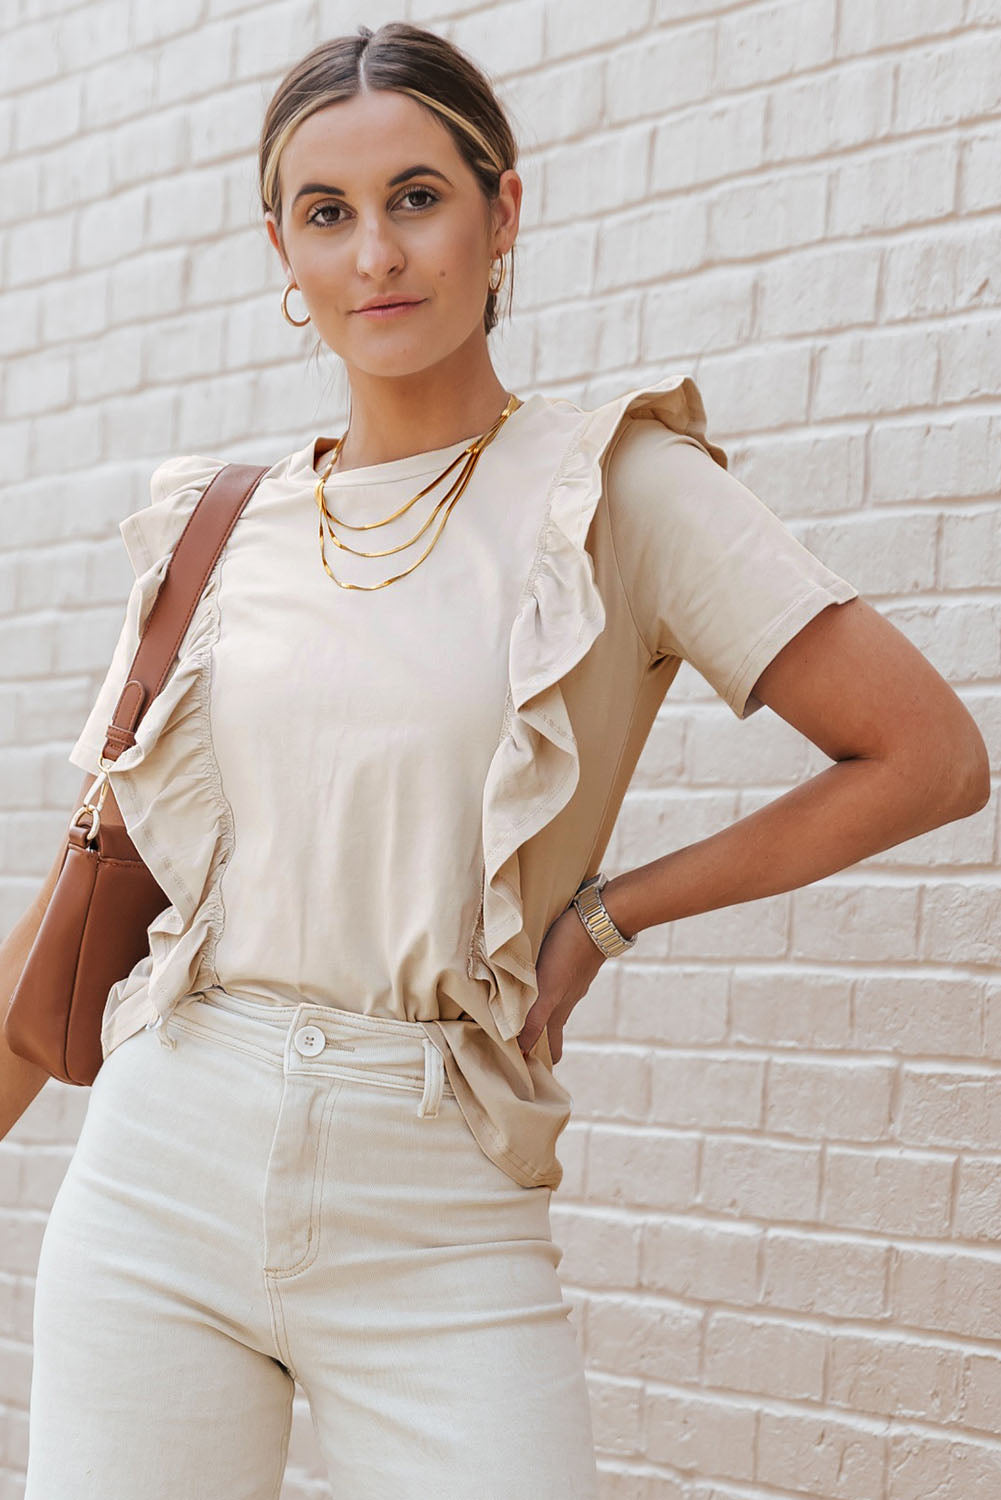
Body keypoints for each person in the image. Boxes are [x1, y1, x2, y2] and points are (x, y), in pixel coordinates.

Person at [3, 20, 989, 1500]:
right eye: (326, 214)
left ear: (499, 212)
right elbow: (93, 883)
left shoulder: (618, 493)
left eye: (416, 197)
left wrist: (604, 917)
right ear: (281, 249)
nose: (375, 254)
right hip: (163, 1165)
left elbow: (923, 757)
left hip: (439, 1187)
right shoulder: (218, 523)